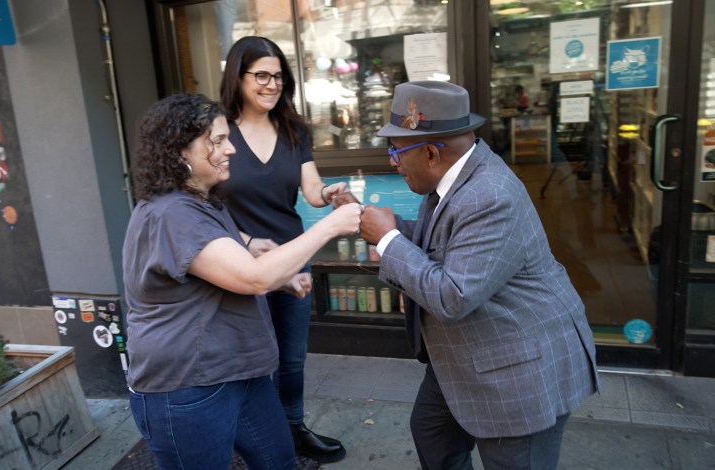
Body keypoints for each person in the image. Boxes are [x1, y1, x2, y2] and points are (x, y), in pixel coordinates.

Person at [339, 81, 599, 469]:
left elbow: (453, 296)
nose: (392, 161)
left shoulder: (489, 195)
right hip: (468, 353)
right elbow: (450, 244)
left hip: (518, 368)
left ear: (429, 153)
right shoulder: (454, 178)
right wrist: (385, 226)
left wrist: (389, 240)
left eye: (395, 150)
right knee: (431, 432)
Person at [122, 93, 362, 469]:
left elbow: (222, 273)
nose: (230, 149)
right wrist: (331, 225)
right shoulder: (172, 213)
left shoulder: (202, 202)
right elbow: (251, 278)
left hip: (239, 371)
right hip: (186, 386)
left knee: (278, 459)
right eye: (216, 141)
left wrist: (281, 282)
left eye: (226, 138)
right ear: (178, 152)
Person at [219, 36, 348, 463]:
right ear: (237, 78)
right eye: (261, 76)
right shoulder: (218, 132)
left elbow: (310, 190)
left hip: (293, 259)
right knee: (253, 362)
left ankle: (293, 430)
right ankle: (261, 437)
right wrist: (246, 243)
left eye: (278, 76)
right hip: (235, 264)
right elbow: (202, 205)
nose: (272, 84)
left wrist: (330, 194)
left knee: (291, 359)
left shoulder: (294, 130)